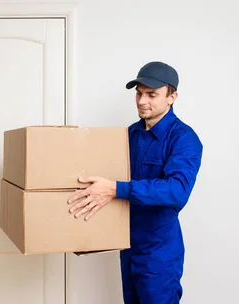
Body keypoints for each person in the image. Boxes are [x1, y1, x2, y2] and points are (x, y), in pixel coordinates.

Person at [67, 61, 203, 304]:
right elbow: (106, 175)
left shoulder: (184, 138)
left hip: (159, 250)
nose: (142, 101)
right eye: (139, 93)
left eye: (152, 94)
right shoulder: (129, 134)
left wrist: (115, 188)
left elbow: (177, 191)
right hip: (128, 245)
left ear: (172, 97)